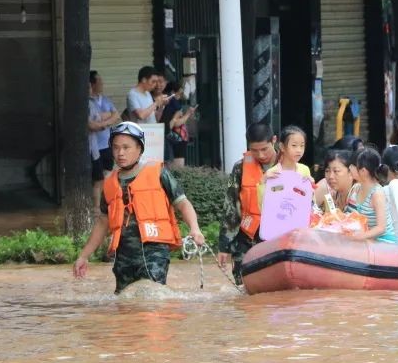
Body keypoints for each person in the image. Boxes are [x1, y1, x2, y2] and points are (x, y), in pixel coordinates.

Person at [73, 122, 204, 293]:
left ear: (139, 148)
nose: (120, 153)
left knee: (150, 300)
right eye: (116, 147)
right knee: (125, 306)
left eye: (126, 147)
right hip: (124, 256)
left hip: (154, 251)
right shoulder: (110, 183)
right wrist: (84, 256)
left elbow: (183, 203)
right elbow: (102, 222)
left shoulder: (158, 173)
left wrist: (195, 229)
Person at [217, 123, 280, 284]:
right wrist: (224, 246)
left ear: (274, 140)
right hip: (247, 237)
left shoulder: (288, 165)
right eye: (254, 150)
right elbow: (231, 206)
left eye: (264, 149)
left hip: (277, 238)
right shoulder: (240, 168)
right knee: (244, 288)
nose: (260, 154)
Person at [344, 148, 397, 243]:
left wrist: (359, 237)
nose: (350, 167)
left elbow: (381, 228)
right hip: (368, 238)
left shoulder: (377, 194)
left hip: (384, 241)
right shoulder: (357, 188)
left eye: (353, 165)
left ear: (363, 171)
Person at [88, 70, 121, 206]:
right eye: (99, 81)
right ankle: (95, 206)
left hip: (106, 144)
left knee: (107, 174)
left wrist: (104, 122)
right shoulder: (89, 102)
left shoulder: (105, 99)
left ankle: (104, 201)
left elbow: (116, 115)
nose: (102, 84)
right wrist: (106, 118)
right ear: (92, 84)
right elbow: (92, 122)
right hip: (94, 146)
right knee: (96, 177)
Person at [161, 81, 195, 170]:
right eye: (179, 93)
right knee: (178, 167)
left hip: (174, 136)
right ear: (173, 92)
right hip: (175, 137)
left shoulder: (170, 103)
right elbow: (176, 122)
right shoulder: (173, 104)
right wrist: (188, 114)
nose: (180, 96)